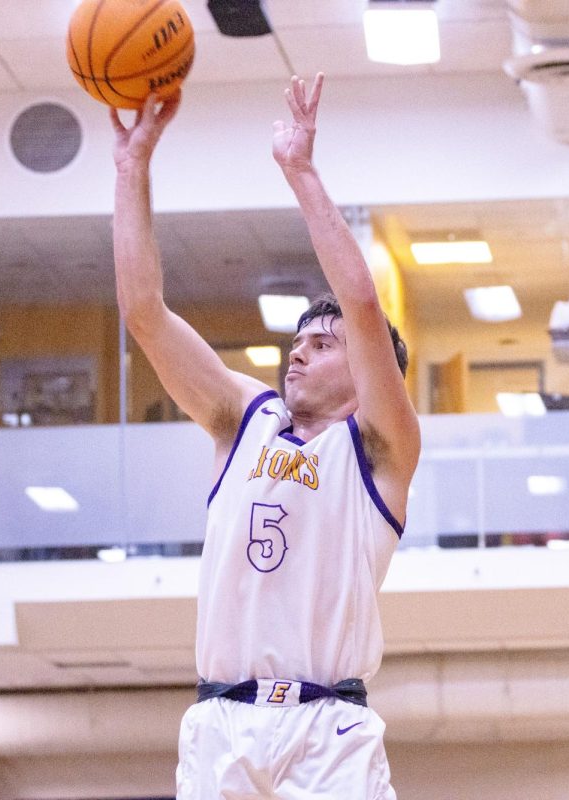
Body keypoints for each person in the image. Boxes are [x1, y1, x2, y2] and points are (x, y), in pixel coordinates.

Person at [110, 74, 419, 800]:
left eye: (323, 343)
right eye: (297, 340)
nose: (299, 351)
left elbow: (364, 303)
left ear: (370, 373)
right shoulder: (243, 418)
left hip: (329, 731)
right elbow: (144, 313)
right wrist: (132, 171)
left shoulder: (381, 449)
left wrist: (301, 172)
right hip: (221, 724)